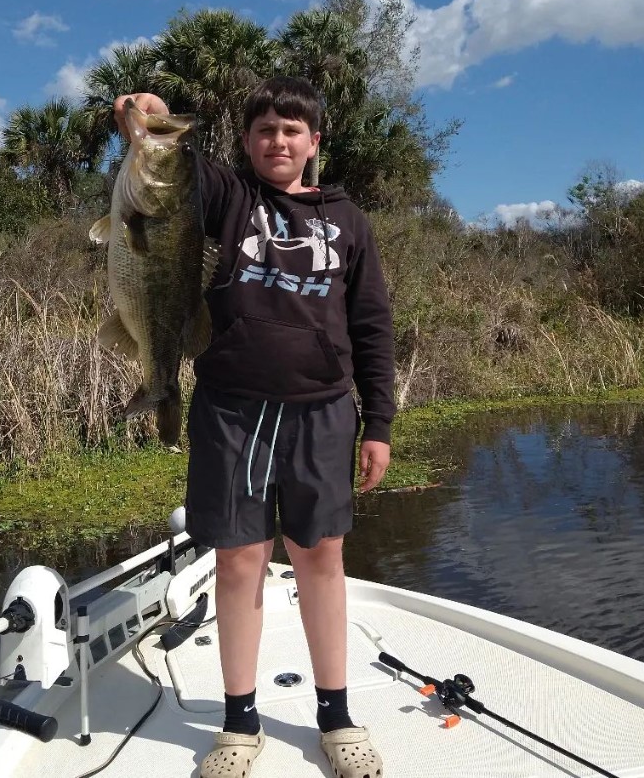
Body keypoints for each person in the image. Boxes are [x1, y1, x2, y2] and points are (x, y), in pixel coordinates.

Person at [114, 77, 394, 778]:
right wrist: (137, 113)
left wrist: (378, 422)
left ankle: (336, 715)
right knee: (240, 563)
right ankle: (239, 721)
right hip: (231, 409)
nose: (279, 140)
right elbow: (146, 139)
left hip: (324, 411)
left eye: (293, 130)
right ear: (247, 142)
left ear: (315, 142)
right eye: (265, 129)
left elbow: (372, 325)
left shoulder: (348, 219)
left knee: (320, 558)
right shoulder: (226, 195)